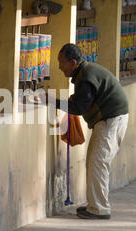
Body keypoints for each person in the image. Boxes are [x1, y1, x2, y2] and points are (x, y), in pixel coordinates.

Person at [52, 43, 129, 220]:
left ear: (72, 62)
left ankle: (100, 209)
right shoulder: (85, 73)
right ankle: (95, 205)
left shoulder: (86, 77)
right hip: (111, 119)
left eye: (61, 62)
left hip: (111, 120)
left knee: (97, 162)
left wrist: (52, 102)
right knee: (96, 162)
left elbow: (79, 107)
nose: (59, 67)